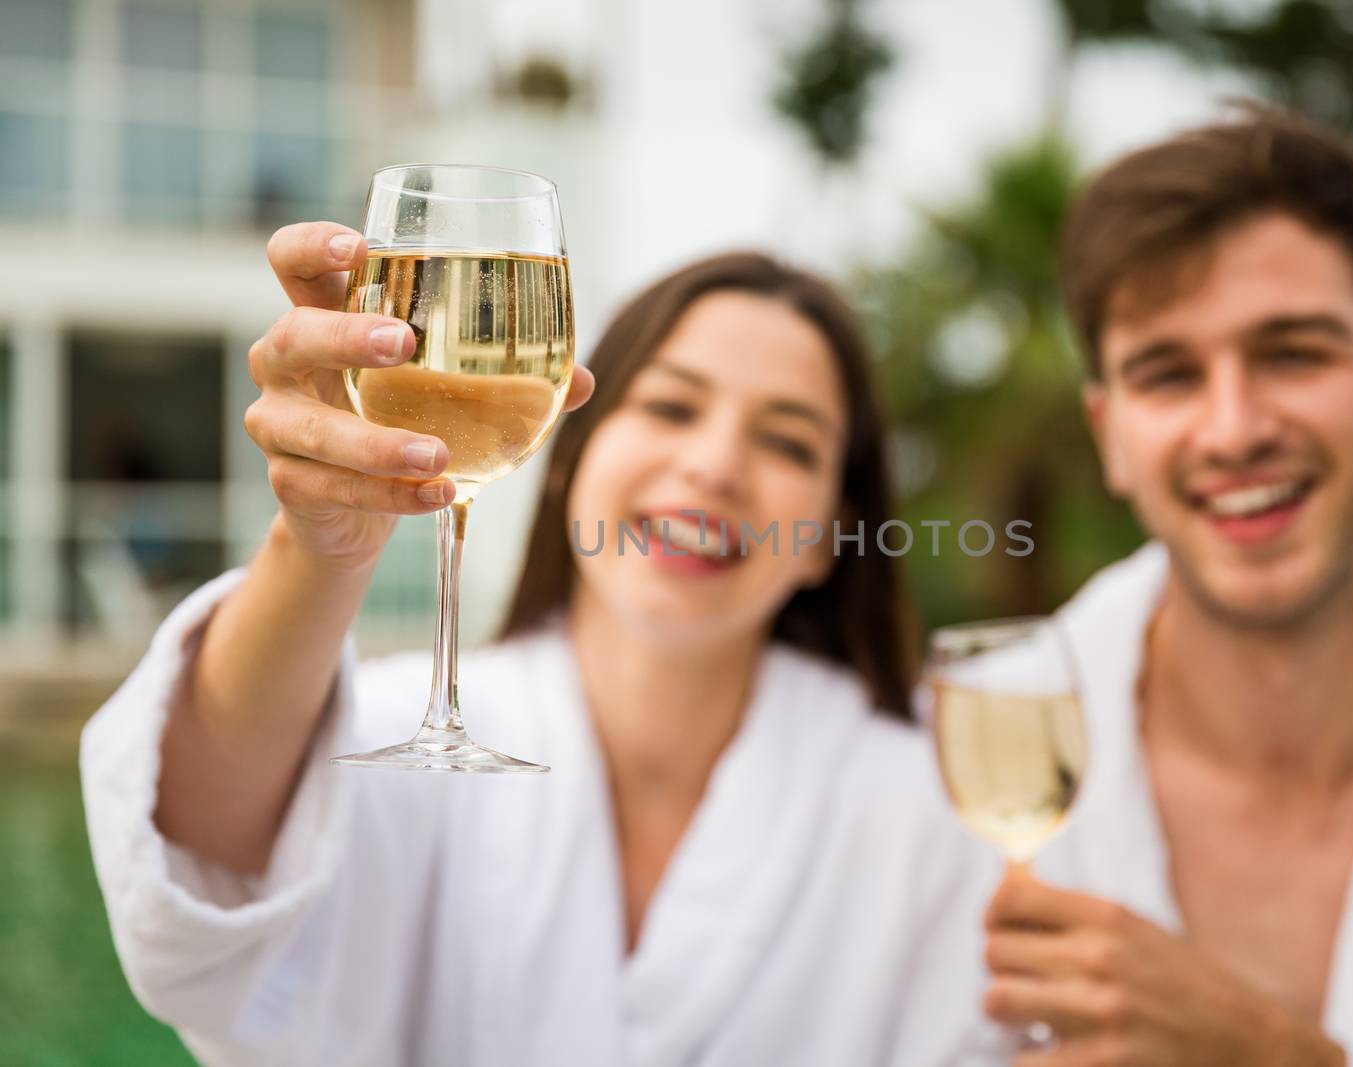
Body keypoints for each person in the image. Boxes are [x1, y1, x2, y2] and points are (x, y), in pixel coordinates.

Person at [80, 236, 997, 1065]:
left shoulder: (927, 804)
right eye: (672, 407)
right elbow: (202, 837)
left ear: (829, 537)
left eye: (788, 441)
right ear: (563, 454)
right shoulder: (407, 731)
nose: (715, 465)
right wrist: (317, 545)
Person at [976, 105, 1353, 1066]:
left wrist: (1267, 1057)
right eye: (1168, 374)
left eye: (1293, 353)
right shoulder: (977, 753)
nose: (1232, 429)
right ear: (1111, 436)